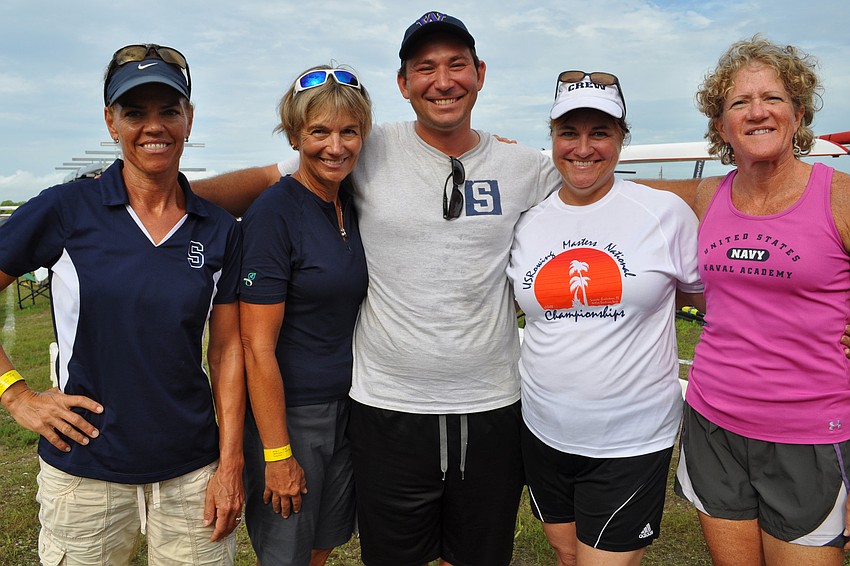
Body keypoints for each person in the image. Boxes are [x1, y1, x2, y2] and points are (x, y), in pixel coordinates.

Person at [195, 11, 563, 566]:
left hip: (477, 402)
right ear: (404, 84)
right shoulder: (344, 165)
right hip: (378, 406)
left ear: (480, 73)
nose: (443, 81)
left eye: (456, 65)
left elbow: (594, 181)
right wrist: (163, 191)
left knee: (461, 550)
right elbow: (271, 181)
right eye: (425, 68)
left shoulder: (519, 165)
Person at [0, 44, 245, 565]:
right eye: (135, 112)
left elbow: (226, 354)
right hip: (84, 471)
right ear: (111, 121)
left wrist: (229, 465)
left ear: (189, 119)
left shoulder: (218, 228)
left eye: (168, 111)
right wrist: (17, 394)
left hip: (191, 472)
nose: (153, 126)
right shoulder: (67, 208)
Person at [507, 71, 703, 566]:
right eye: (569, 132)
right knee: (565, 553)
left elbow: (712, 303)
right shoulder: (529, 221)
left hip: (630, 438)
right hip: (542, 427)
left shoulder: (664, 213)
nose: (583, 148)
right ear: (551, 138)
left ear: (622, 138)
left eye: (600, 132)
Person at [672, 35, 850, 565]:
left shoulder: (838, 196)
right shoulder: (707, 196)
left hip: (812, 433)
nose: (757, 112)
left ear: (798, 112)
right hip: (713, 423)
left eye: (772, 98)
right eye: (739, 103)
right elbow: (614, 186)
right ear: (721, 126)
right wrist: (538, 164)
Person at [238, 65, 371, 566]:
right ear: (294, 135)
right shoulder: (275, 214)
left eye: (348, 131)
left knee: (324, 540)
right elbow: (256, 345)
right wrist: (277, 453)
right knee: (285, 551)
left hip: (350, 405)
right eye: (319, 132)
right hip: (292, 415)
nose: (335, 147)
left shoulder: (349, 203)